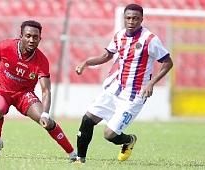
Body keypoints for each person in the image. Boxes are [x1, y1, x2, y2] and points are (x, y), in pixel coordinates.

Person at [72, 4, 173, 163]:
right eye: (128, 18)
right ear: (123, 19)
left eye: (135, 19)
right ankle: (80, 159)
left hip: (134, 95)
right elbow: (107, 55)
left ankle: (129, 140)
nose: (131, 21)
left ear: (141, 20)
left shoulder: (150, 40)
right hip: (114, 88)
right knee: (87, 119)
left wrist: (151, 83)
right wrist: (86, 62)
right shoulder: (119, 36)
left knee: (109, 135)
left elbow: (168, 62)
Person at [0, 20, 77, 162]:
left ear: (40, 39)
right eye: (28, 36)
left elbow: (46, 89)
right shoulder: (6, 46)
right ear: (21, 36)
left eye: (35, 37)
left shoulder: (42, 60)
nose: (31, 40)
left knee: (47, 122)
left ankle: (73, 155)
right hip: (1, 89)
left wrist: (45, 114)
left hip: (24, 94)